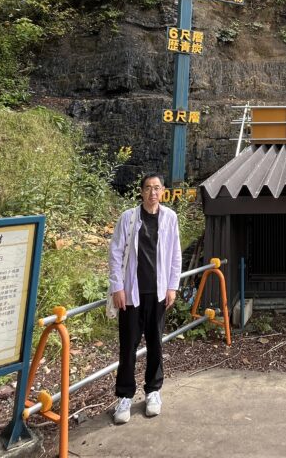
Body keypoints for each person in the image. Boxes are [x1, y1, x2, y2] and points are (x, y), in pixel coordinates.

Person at [107, 172, 182, 424]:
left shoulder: (170, 217)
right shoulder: (128, 218)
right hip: (131, 293)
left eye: (157, 188)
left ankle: (153, 391)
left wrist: (172, 286)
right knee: (128, 345)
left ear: (163, 191)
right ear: (141, 191)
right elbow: (116, 253)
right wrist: (117, 287)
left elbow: (175, 254)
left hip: (158, 293)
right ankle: (124, 396)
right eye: (148, 188)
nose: (153, 192)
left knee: (155, 344)